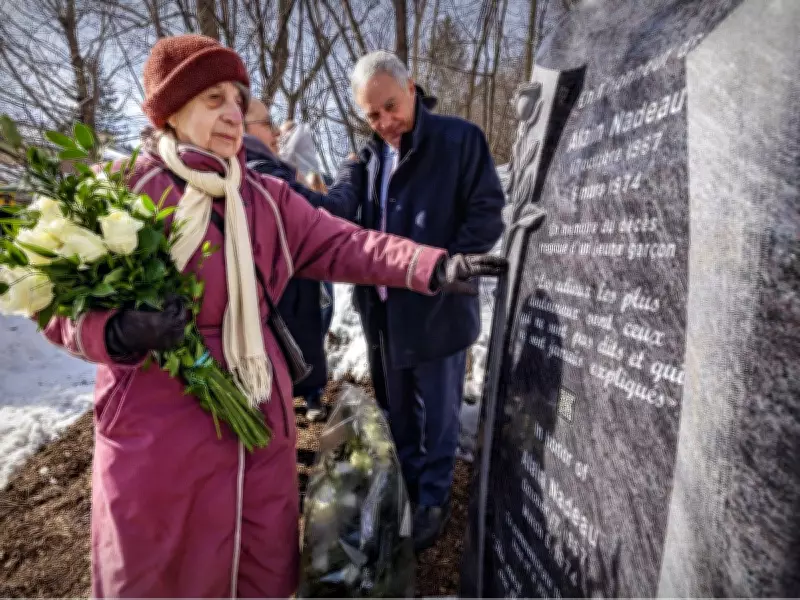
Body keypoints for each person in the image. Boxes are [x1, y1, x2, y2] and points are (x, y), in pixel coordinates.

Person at [40, 35, 506, 597]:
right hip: (158, 429)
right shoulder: (120, 189)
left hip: (259, 417)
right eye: (214, 98)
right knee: (163, 573)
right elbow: (51, 298)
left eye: (238, 100)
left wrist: (435, 266)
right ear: (172, 109)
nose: (233, 113)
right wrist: (113, 331)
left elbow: (353, 245)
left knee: (260, 568)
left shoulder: (265, 198)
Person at [347, 50, 505, 552]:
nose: (385, 122)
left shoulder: (460, 139)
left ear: (411, 87)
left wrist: (449, 267)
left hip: (439, 308)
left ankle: (434, 498)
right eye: (372, 115)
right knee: (398, 411)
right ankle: (409, 489)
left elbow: (486, 214)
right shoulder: (370, 158)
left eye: (390, 105)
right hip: (385, 314)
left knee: (439, 414)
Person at [244, 100, 353, 422]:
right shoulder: (267, 178)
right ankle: (297, 399)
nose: (277, 132)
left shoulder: (274, 174)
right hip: (288, 282)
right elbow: (332, 212)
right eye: (268, 125)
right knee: (301, 333)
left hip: (296, 279)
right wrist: (350, 171)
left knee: (310, 329)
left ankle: (307, 395)